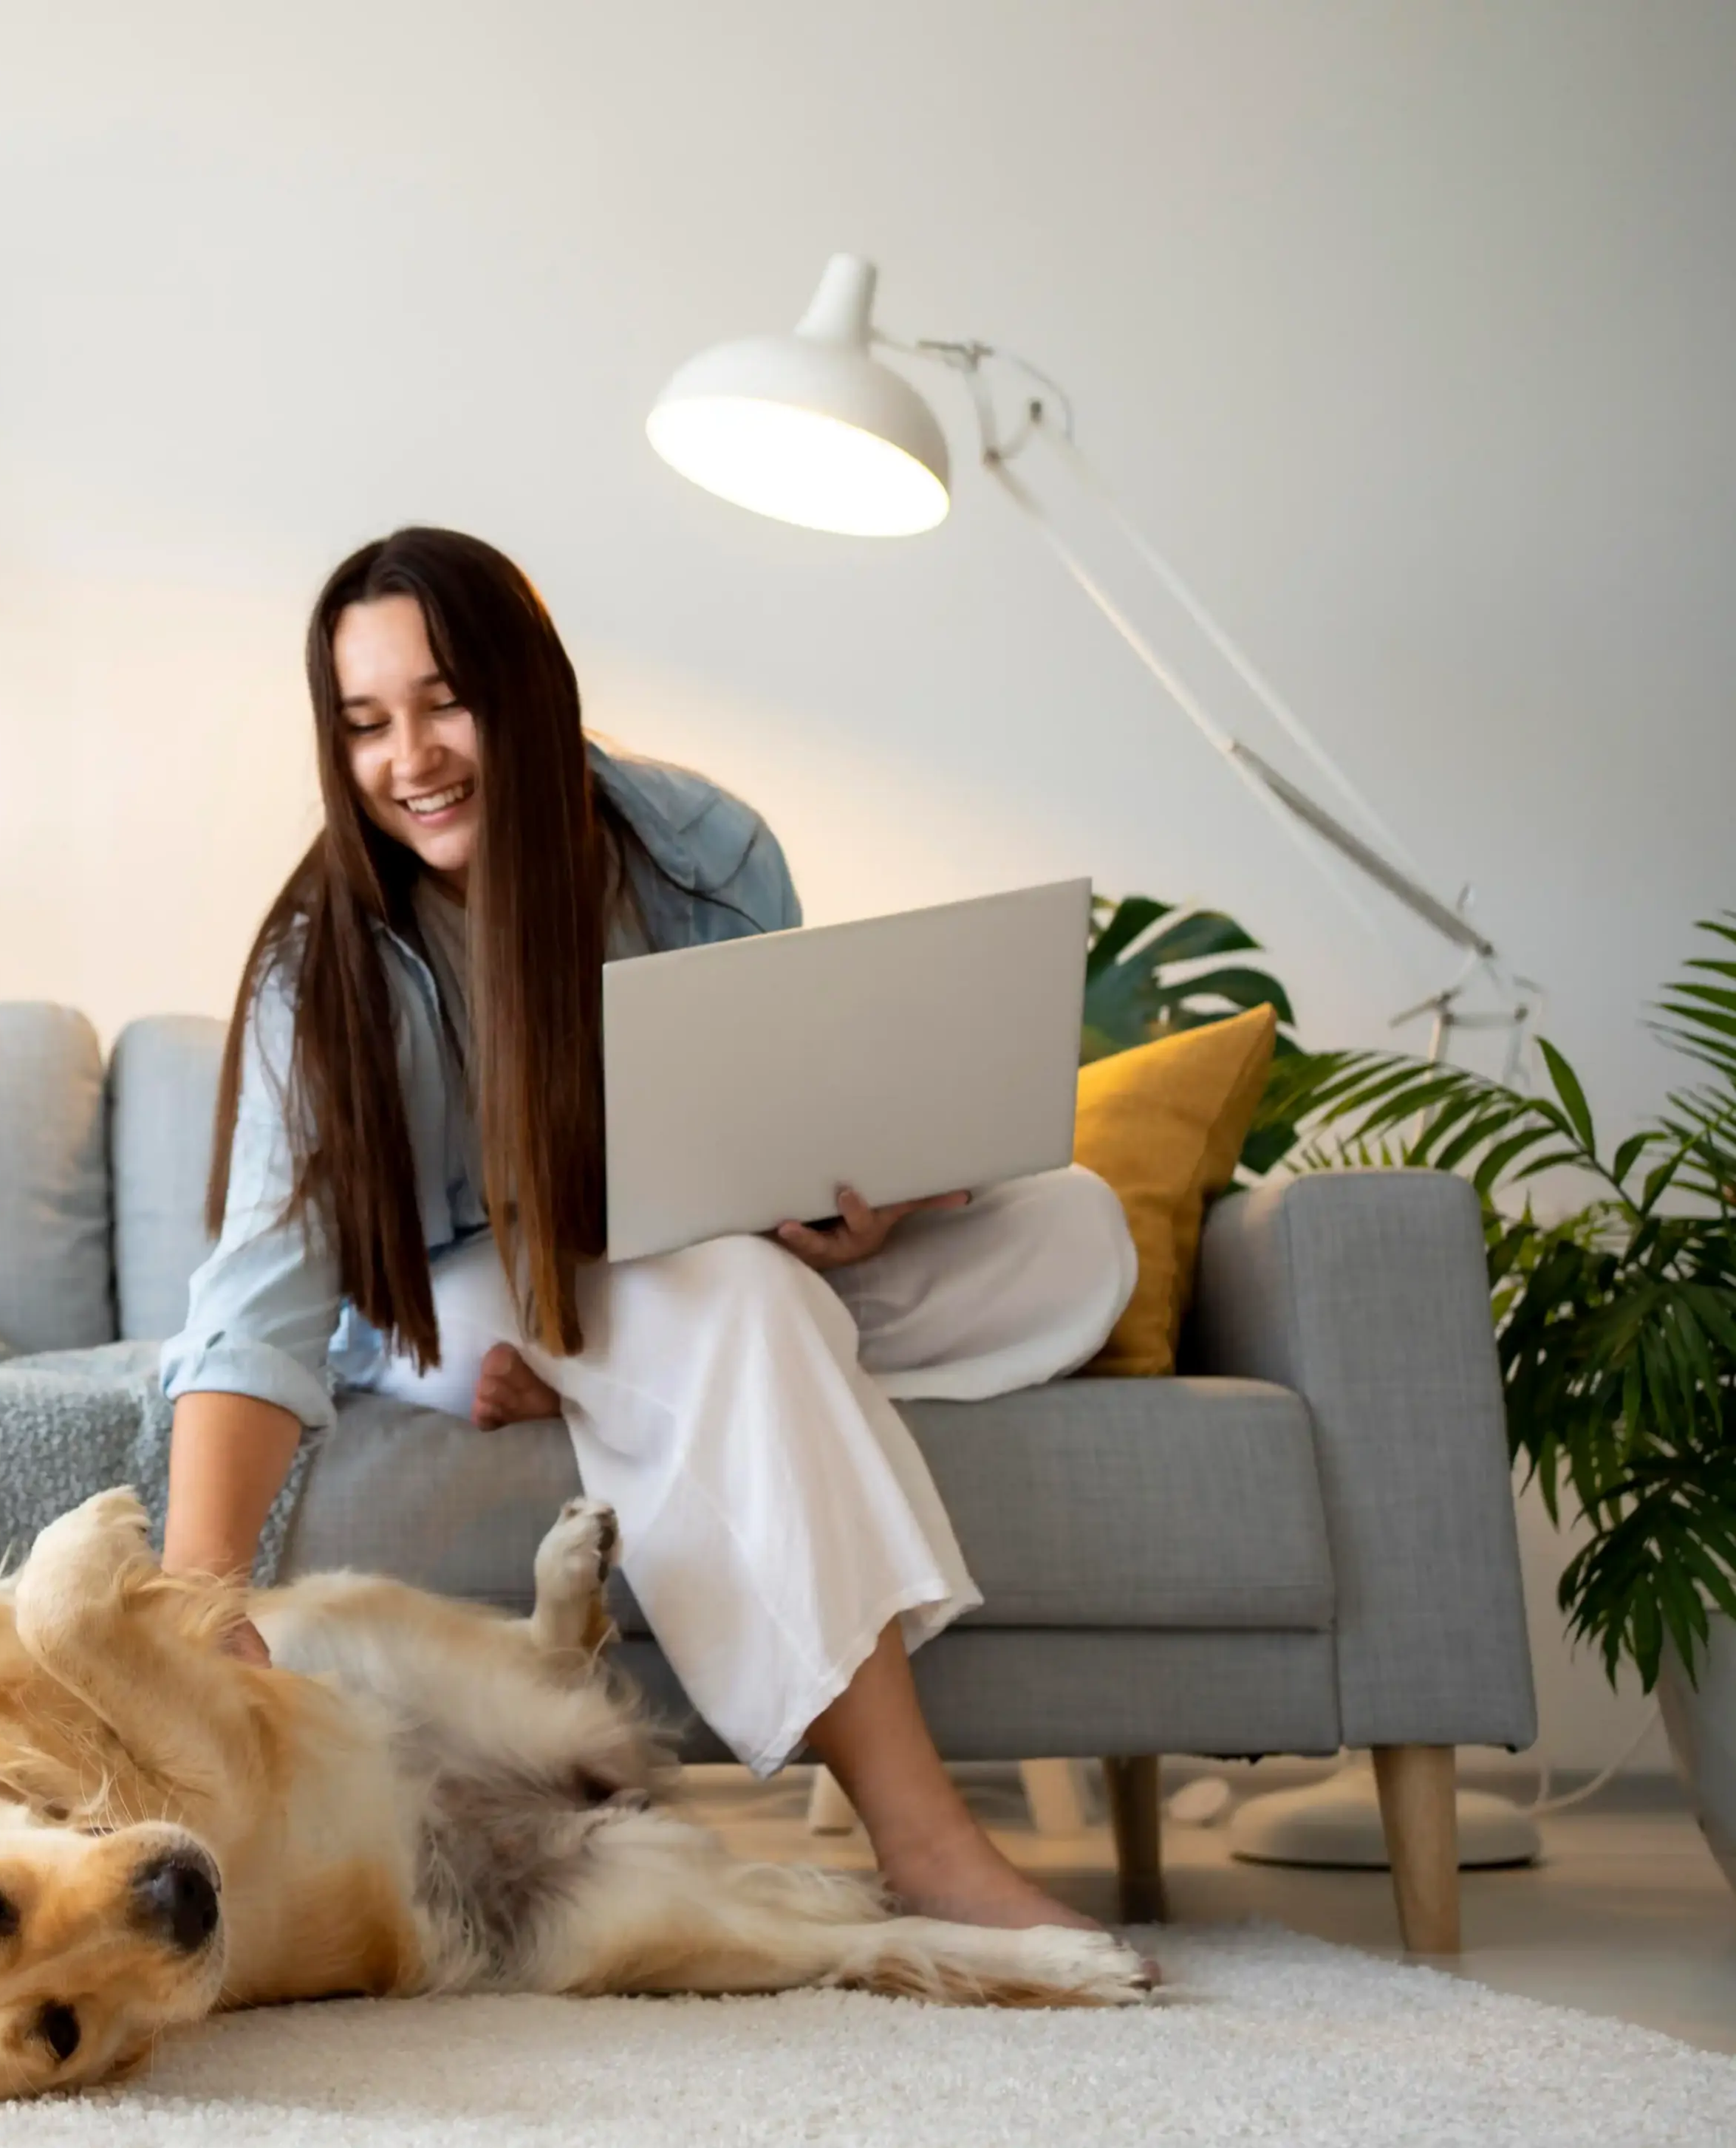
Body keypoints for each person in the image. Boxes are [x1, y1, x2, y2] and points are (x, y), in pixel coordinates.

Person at [157, 526, 1138, 1934]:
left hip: (694, 1259)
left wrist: (832, 1224)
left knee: (1076, 1237)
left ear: (532, 685)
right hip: (464, 1305)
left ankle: (643, 1382)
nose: (410, 757)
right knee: (737, 1301)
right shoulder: (328, 972)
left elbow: (778, 1124)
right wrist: (201, 1594)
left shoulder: (702, 852)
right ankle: (922, 1838)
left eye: (445, 702)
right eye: (365, 725)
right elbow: (255, 1309)